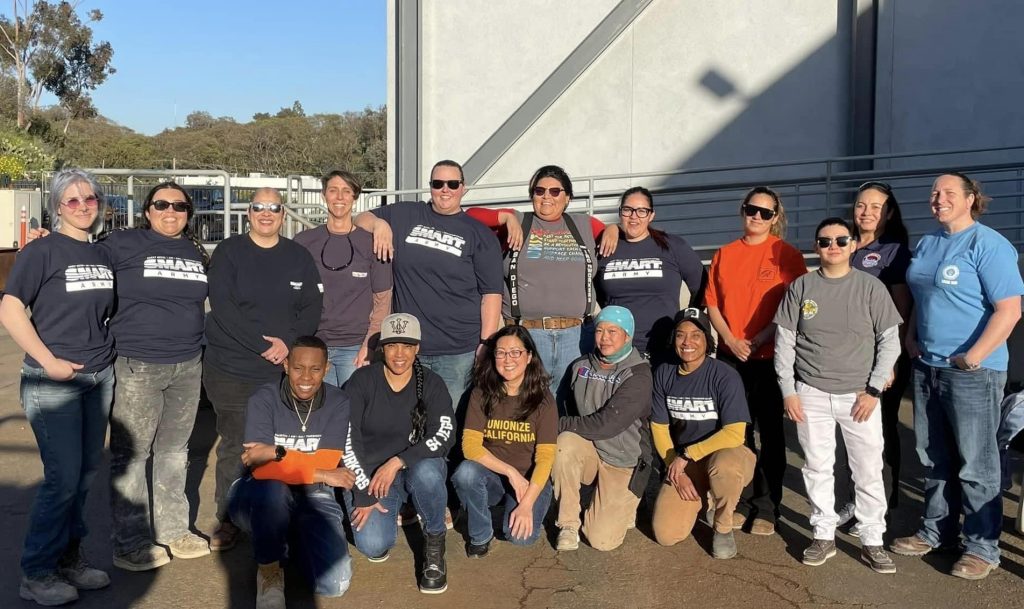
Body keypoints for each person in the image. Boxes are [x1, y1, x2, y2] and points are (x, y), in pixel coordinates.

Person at [891, 173, 1024, 580]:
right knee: (934, 457)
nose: (938, 198)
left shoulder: (989, 245)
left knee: (976, 463)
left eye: (949, 192)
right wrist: (911, 335)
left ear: (971, 200)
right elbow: (922, 296)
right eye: (934, 192)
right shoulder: (930, 243)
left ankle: (982, 547)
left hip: (973, 374)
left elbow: (1010, 309)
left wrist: (974, 356)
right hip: (928, 366)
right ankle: (937, 531)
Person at [0, 169, 115, 606]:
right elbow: (10, 309)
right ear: (56, 206)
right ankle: (36, 572)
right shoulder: (43, 251)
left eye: (90, 199)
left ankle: (69, 559)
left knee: (84, 476)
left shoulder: (102, 254)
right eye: (72, 200)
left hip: (98, 376)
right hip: (54, 381)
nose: (83, 205)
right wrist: (49, 362)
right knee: (61, 479)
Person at [774, 217, 902, 573]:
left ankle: (872, 539)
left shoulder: (871, 288)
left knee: (868, 468)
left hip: (860, 396)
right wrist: (789, 391)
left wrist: (874, 389)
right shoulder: (801, 288)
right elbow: (786, 344)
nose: (833, 247)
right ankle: (823, 534)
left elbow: (889, 342)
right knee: (817, 467)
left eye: (841, 240)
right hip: (811, 392)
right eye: (825, 241)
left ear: (853, 245)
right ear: (816, 247)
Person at [203, 187, 323, 551]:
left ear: (283, 215)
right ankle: (228, 518)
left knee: (282, 444)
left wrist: (286, 343)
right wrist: (263, 345)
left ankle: (280, 512)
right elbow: (222, 307)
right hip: (232, 368)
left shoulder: (298, 256)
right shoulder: (229, 252)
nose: (266, 213)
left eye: (274, 208)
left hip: (281, 370)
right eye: (259, 207)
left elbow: (312, 309)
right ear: (249, 213)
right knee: (236, 445)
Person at [105, 183, 212, 570]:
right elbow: (76, 263)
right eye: (162, 204)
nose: (172, 211)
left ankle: (173, 530)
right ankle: (130, 543)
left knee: (174, 452)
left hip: (187, 364)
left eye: (180, 206)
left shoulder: (194, 251)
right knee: (132, 455)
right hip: (137, 365)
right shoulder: (121, 245)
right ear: (147, 210)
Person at [354, 160, 503, 408]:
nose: (445, 190)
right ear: (430, 187)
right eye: (438, 183)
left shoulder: (479, 234)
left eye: (452, 184)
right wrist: (379, 224)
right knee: (405, 418)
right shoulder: (404, 214)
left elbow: (491, 295)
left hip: (458, 351)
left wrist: (485, 344)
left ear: (463, 188)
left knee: (447, 422)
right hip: (407, 347)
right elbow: (360, 218)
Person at [705, 186, 807, 536]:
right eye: (752, 209)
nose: (757, 217)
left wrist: (761, 337)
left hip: (769, 357)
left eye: (765, 212)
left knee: (771, 436)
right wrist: (731, 340)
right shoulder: (725, 253)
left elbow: (792, 306)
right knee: (736, 434)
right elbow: (713, 304)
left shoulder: (786, 255)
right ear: (742, 210)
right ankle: (740, 501)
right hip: (731, 357)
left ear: (775, 217)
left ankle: (767, 506)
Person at [227, 336, 355, 608]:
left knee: (335, 585)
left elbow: (329, 461)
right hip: (257, 495)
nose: (305, 377)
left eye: (315, 369)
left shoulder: (339, 401)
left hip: (313, 495)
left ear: (328, 368)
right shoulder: (263, 399)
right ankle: (269, 571)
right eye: (298, 368)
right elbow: (261, 472)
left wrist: (275, 452)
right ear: (285, 365)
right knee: (273, 490)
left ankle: (284, 537)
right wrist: (307, 467)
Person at [341, 313, 455, 594]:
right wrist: (363, 492)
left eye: (407, 345)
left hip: (412, 468)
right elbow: (346, 439)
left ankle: (435, 545)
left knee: (428, 471)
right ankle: (402, 505)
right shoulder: (362, 381)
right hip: (372, 475)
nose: (399, 354)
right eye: (392, 345)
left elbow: (444, 434)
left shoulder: (430, 382)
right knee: (373, 546)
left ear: (417, 348)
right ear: (382, 348)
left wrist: (399, 460)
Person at [834, 181, 913, 533]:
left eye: (875, 206)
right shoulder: (845, 245)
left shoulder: (894, 251)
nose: (865, 212)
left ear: (890, 212)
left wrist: (890, 362)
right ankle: (856, 500)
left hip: (881, 357)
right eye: (860, 205)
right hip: (846, 358)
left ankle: (879, 508)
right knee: (851, 432)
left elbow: (900, 309)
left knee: (879, 433)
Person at [650, 308, 755, 559]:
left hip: (728, 455)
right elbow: (659, 427)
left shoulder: (724, 375)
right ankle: (705, 498)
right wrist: (673, 468)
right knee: (666, 534)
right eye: (680, 335)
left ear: (707, 340)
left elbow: (734, 434)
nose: (687, 342)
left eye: (696, 335)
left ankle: (722, 526)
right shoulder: (664, 372)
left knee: (725, 468)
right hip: (686, 461)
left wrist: (686, 455)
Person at [551, 306, 653, 552]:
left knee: (602, 541)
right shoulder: (580, 366)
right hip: (590, 451)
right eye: (599, 330)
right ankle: (568, 524)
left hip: (623, 460)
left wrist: (553, 425)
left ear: (627, 336)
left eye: (613, 331)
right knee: (564, 442)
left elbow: (606, 424)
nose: (604, 338)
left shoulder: (638, 374)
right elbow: (563, 408)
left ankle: (627, 502)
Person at [452, 326, 557, 557]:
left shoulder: (544, 399)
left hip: (530, 480)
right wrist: (510, 472)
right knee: (465, 473)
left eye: (515, 352)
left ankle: (535, 500)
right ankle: (481, 534)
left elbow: (546, 457)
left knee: (521, 538)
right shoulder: (482, 392)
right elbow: (470, 448)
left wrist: (527, 503)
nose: (507, 359)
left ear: (529, 357)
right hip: (493, 477)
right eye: (501, 353)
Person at [294, 170, 392, 387]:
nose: (339, 197)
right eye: (333, 191)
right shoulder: (303, 242)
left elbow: (383, 301)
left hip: (355, 348)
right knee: (320, 415)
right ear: (323, 195)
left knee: (353, 416)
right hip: (314, 346)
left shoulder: (373, 244)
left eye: (346, 192)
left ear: (354, 198)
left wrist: (370, 344)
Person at [596, 186, 706, 364]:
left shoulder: (672, 246)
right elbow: (600, 294)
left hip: (663, 350)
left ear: (651, 215)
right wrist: (611, 228)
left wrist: (688, 322)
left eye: (641, 211)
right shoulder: (606, 247)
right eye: (628, 210)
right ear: (620, 213)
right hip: (618, 352)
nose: (634, 216)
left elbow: (702, 286)